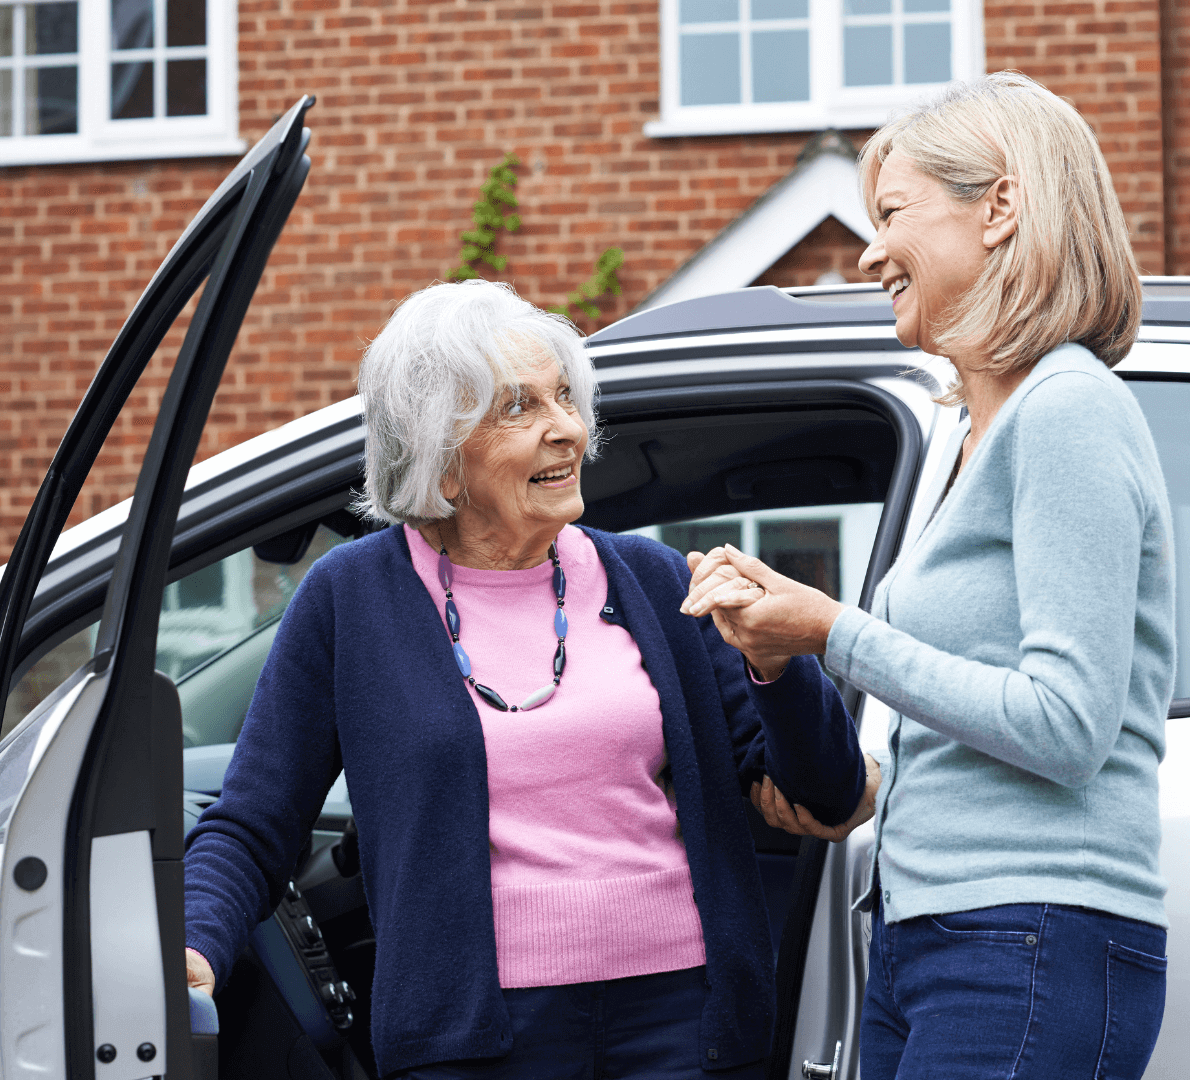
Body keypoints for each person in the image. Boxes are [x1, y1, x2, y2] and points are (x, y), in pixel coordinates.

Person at [182, 278, 877, 1079]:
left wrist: (775, 660)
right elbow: (255, 819)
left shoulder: (653, 581)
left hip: (685, 1020)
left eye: (564, 399)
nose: (567, 431)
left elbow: (825, 792)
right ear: (439, 450)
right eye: (519, 408)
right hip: (472, 1039)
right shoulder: (350, 600)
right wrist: (196, 943)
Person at [683, 72, 1175, 1079]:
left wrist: (833, 632)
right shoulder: (973, 436)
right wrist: (872, 786)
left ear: (999, 206)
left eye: (893, 214)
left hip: (1029, 935)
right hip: (941, 935)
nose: (867, 252)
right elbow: (989, 721)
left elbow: (1067, 724)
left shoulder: (1067, 410)